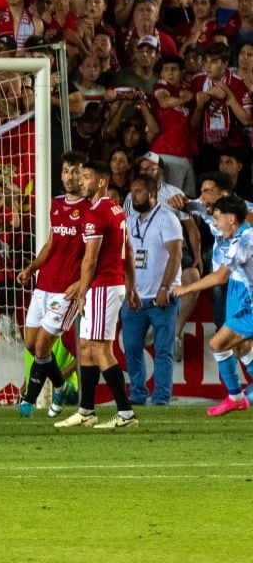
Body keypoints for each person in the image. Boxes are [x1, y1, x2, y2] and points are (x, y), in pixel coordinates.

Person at [54, 162, 140, 430]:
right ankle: (86, 410)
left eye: (87, 177)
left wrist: (81, 290)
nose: (81, 181)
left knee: (102, 349)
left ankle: (126, 414)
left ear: (101, 182)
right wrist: (132, 286)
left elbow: (90, 260)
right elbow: (128, 249)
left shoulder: (97, 214)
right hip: (108, 285)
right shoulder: (115, 209)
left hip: (102, 285)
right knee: (86, 347)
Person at [15, 151, 93, 418]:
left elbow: (97, 256)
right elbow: (51, 242)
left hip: (66, 290)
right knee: (29, 343)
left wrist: (81, 283)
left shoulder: (92, 210)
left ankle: (28, 401)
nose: (70, 177)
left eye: (76, 172)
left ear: (85, 176)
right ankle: (60, 385)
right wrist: (32, 268)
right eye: (66, 171)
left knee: (41, 347)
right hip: (44, 283)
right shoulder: (56, 204)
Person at [173, 196, 253, 416]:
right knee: (239, 347)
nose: (215, 224)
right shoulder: (244, 235)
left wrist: (185, 289)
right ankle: (237, 398)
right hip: (247, 301)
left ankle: (236, 398)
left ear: (232, 219)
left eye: (217, 218)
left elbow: (220, 277)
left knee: (218, 344)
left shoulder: (243, 242)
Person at [119, 175, 183, 406]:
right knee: (133, 348)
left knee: (163, 350)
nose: (133, 195)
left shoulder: (167, 219)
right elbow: (124, 256)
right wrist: (128, 289)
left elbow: (176, 254)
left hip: (161, 297)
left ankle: (160, 399)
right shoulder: (129, 218)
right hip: (135, 296)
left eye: (138, 191)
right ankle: (137, 395)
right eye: (132, 191)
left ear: (151, 193)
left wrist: (165, 288)